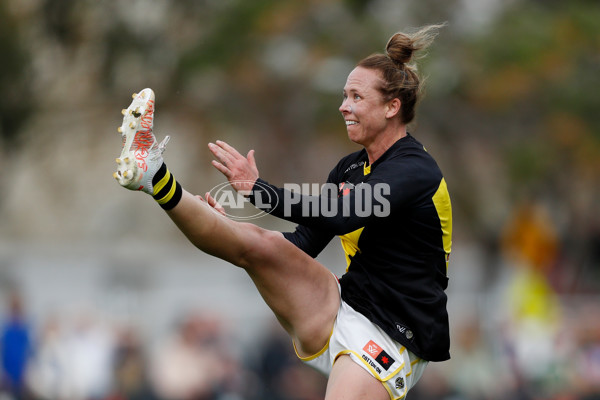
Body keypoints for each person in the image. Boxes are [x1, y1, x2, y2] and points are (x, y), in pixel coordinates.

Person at [113, 23, 451, 400]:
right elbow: (303, 244)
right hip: (341, 306)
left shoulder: (415, 170)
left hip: (393, 334)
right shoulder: (350, 168)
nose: (343, 106)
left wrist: (259, 191)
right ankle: (152, 173)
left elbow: (342, 215)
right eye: (344, 95)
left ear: (392, 107)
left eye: (356, 96)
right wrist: (233, 230)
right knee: (262, 245)